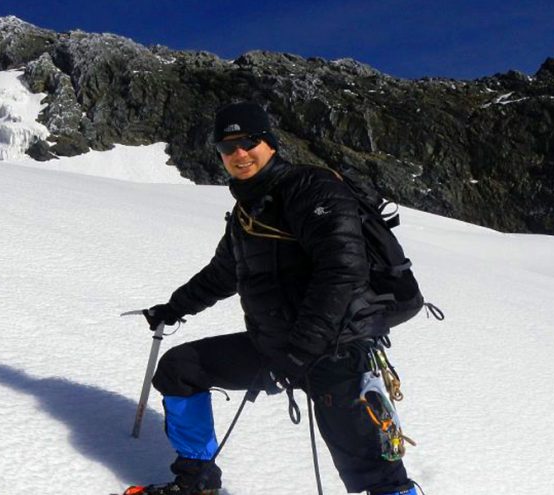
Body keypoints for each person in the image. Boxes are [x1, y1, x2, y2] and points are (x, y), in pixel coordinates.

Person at [128, 102, 418, 495]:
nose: (238, 154)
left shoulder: (312, 188)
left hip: (337, 347)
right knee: (181, 369)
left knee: (375, 471)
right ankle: (196, 480)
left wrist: (304, 348)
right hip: (277, 345)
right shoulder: (247, 213)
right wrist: (174, 307)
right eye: (226, 148)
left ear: (270, 143)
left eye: (248, 141)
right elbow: (222, 274)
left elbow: (343, 270)